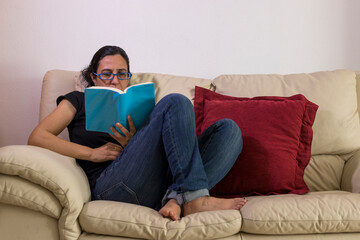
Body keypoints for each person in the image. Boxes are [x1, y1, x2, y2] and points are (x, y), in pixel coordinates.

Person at [28, 45, 247, 220]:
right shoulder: (77, 100)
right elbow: (38, 137)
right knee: (176, 101)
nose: (115, 80)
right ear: (94, 78)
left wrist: (133, 142)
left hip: (154, 182)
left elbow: (159, 155)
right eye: (107, 74)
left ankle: (176, 199)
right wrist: (92, 153)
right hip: (110, 186)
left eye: (121, 74)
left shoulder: (139, 104)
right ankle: (194, 198)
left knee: (229, 130)